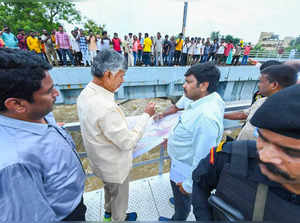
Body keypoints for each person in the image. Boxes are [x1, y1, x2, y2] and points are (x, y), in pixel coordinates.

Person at [0, 48, 86, 221]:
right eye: (48, 92)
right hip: (65, 215)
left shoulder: (35, 113)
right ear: (16, 104)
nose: (56, 94)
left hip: (72, 199)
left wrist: (53, 131)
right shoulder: (15, 164)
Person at [192, 83, 300, 221]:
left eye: (288, 151)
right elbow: (199, 181)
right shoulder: (228, 155)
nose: (265, 157)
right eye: (263, 139)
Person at [77, 49, 156, 221]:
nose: (122, 80)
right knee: (119, 199)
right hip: (115, 168)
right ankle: (117, 218)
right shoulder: (106, 107)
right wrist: (146, 116)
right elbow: (127, 143)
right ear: (107, 75)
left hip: (100, 163)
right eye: (121, 75)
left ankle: (107, 213)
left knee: (109, 190)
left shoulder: (85, 94)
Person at [159, 63, 225, 221]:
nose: (184, 85)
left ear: (204, 85)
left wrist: (188, 185)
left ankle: (178, 218)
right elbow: (188, 126)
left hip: (185, 168)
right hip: (182, 161)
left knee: (182, 195)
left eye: (189, 82)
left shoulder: (206, 116)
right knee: (180, 196)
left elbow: (203, 157)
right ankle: (181, 204)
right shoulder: (200, 100)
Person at [225, 63, 297, 141]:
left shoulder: (289, 114)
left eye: (260, 81)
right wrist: (222, 114)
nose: (258, 85)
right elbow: (243, 114)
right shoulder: (260, 101)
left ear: (274, 85)